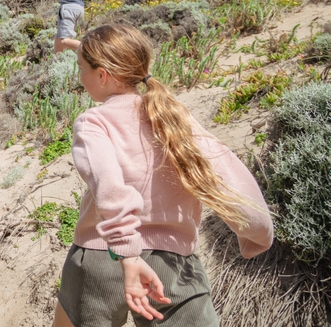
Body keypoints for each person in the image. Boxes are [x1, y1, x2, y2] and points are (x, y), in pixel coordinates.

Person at [54, 24, 273, 327]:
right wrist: (257, 233)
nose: (80, 78)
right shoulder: (172, 116)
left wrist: (128, 255)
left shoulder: (94, 122)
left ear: (102, 75)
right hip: (172, 260)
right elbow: (226, 171)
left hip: (101, 255)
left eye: (82, 69)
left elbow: (109, 187)